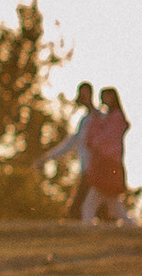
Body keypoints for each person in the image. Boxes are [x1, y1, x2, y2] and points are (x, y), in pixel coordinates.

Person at [40, 81, 97, 213]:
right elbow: (69, 144)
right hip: (87, 170)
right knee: (93, 209)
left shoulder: (98, 118)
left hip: (94, 170)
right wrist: (48, 157)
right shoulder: (84, 120)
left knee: (77, 209)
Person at [82, 87, 131, 225]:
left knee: (91, 204)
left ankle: (87, 229)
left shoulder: (116, 118)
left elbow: (104, 139)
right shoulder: (107, 118)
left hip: (108, 165)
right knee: (114, 205)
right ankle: (131, 226)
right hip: (104, 164)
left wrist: (95, 141)